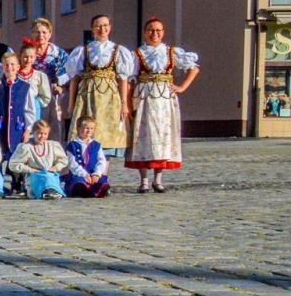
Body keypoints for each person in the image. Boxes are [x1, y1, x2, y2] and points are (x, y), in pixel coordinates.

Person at [126, 17, 200, 193]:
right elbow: (129, 80)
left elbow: (194, 68)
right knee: (142, 135)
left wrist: (182, 87)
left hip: (164, 99)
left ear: (163, 32)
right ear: (145, 33)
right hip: (143, 97)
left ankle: (158, 179)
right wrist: (128, 104)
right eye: (151, 30)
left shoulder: (171, 52)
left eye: (158, 30)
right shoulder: (136, 54)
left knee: (163, 136)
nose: (155, 34)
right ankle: (143, 180)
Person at [66, 14, 135, 155]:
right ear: (92, 29)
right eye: (98, 26)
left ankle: (103, 174)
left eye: (105, 25)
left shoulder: (118, 50)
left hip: (110, 97)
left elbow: (123, 79)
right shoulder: (83, 50)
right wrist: (71, 103)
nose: (102, 29)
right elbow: (75, 78)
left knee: (107, 135)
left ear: (110, 28)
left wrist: (124, 104)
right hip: (87, 96)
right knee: (86, 133)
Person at [7, 119, 69, 200]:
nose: (42, 136)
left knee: (49, 176)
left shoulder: (52, 146)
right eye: (40, 133)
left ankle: (53, 191)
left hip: (49, 173)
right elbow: (13, 164)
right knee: (42, 177)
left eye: (45, 134)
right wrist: (31, 170)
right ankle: (44, 192)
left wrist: (55, 168)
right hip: (34, 176)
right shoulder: (26, 147)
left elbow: (63, 160)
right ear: (34, 132)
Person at [65, 115, 111, 198]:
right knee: (78, 183)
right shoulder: (72, 145)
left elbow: (101, 160)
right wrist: (84, 174)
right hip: (79, 174)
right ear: (78, 128)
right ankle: (82, 190)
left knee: (102, 183)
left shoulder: (96, 145)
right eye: (86, 128)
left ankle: (96, 190)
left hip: (93, 173)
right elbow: (72, 163)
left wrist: (96, 174)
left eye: (91, 128)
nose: (89, 131)